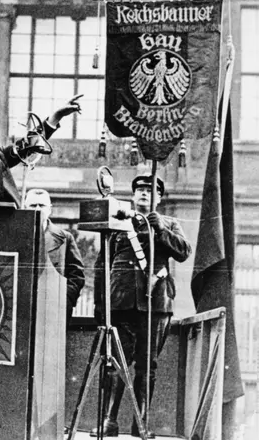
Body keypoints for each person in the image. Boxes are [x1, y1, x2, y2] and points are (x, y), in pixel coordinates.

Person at [91, 174, 191, 438]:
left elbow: (183, 252)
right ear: (134, 195)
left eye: (151, 190)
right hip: (121, 301)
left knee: (148, 366)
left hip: (156, 303)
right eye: (141, 190)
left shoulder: (169, 223)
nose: (145, 193)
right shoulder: (119, 222)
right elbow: (103, 264)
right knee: (115, 364)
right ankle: (109, 422)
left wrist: (161, 230)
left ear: (159, 197)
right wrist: (101, 305)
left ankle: (141, 423)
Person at [24, 188, 85, 323]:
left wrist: (65, 300)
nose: (38, 209)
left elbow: (77, 275)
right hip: (22, 307)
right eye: (33, 205)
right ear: (24, 207)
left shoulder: (65, 238)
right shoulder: (16, 236)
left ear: (50, 209)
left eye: (42, 205)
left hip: (54, 307)